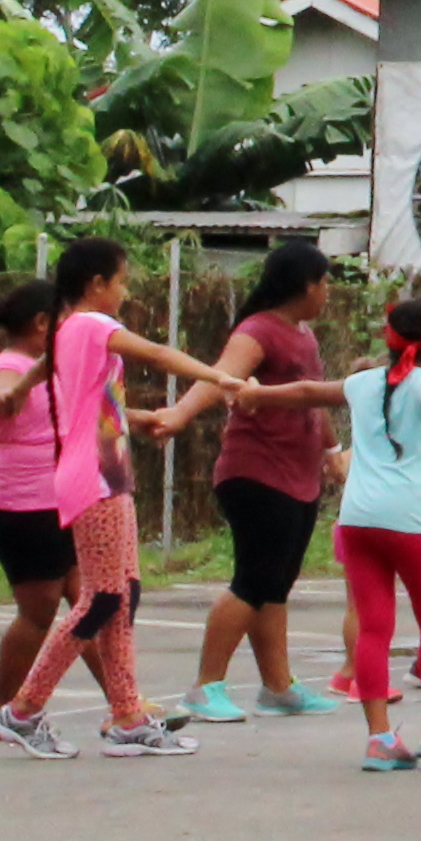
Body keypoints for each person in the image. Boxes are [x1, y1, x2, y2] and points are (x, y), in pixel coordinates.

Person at [0, 237, 244, 760]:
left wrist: (22, 393)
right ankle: (22, 710)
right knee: (101, 598)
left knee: (123, 592)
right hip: (93, 479)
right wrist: (219, 376)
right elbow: (156, 353)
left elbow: (46, 372)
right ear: (96, 284)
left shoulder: (65, 332)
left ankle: (126, 713)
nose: (124, 291)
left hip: (106, 472)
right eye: (121, 281)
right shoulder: (95, 324)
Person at [241, 299, 421, 770]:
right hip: (407, 518)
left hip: (358, 517)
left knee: (374, 626)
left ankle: (379, 738)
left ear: (389, 337)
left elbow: (305, 392)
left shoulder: (364, 382)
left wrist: (259, 395)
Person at [145, 242, 344, 725]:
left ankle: (278, 686)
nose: (328, 292)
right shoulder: (258, 331)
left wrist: (333, 455)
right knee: (253, 581)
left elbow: (312, 401)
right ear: (305, 285)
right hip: (257, 473)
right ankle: (204, 686)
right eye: (324, 282)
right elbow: (221, 379)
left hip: (298, 476)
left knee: (276, 585)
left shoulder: (304, 337)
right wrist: (179, 414)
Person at [0, 283, 75, 742]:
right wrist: (29, 379)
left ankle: (123, 705)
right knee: (40, 613)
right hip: (22, 508)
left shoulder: (51, 372)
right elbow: (0, 393)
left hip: (60, 502)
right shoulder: (10, 365)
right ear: (40, 324)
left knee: (92, 605)